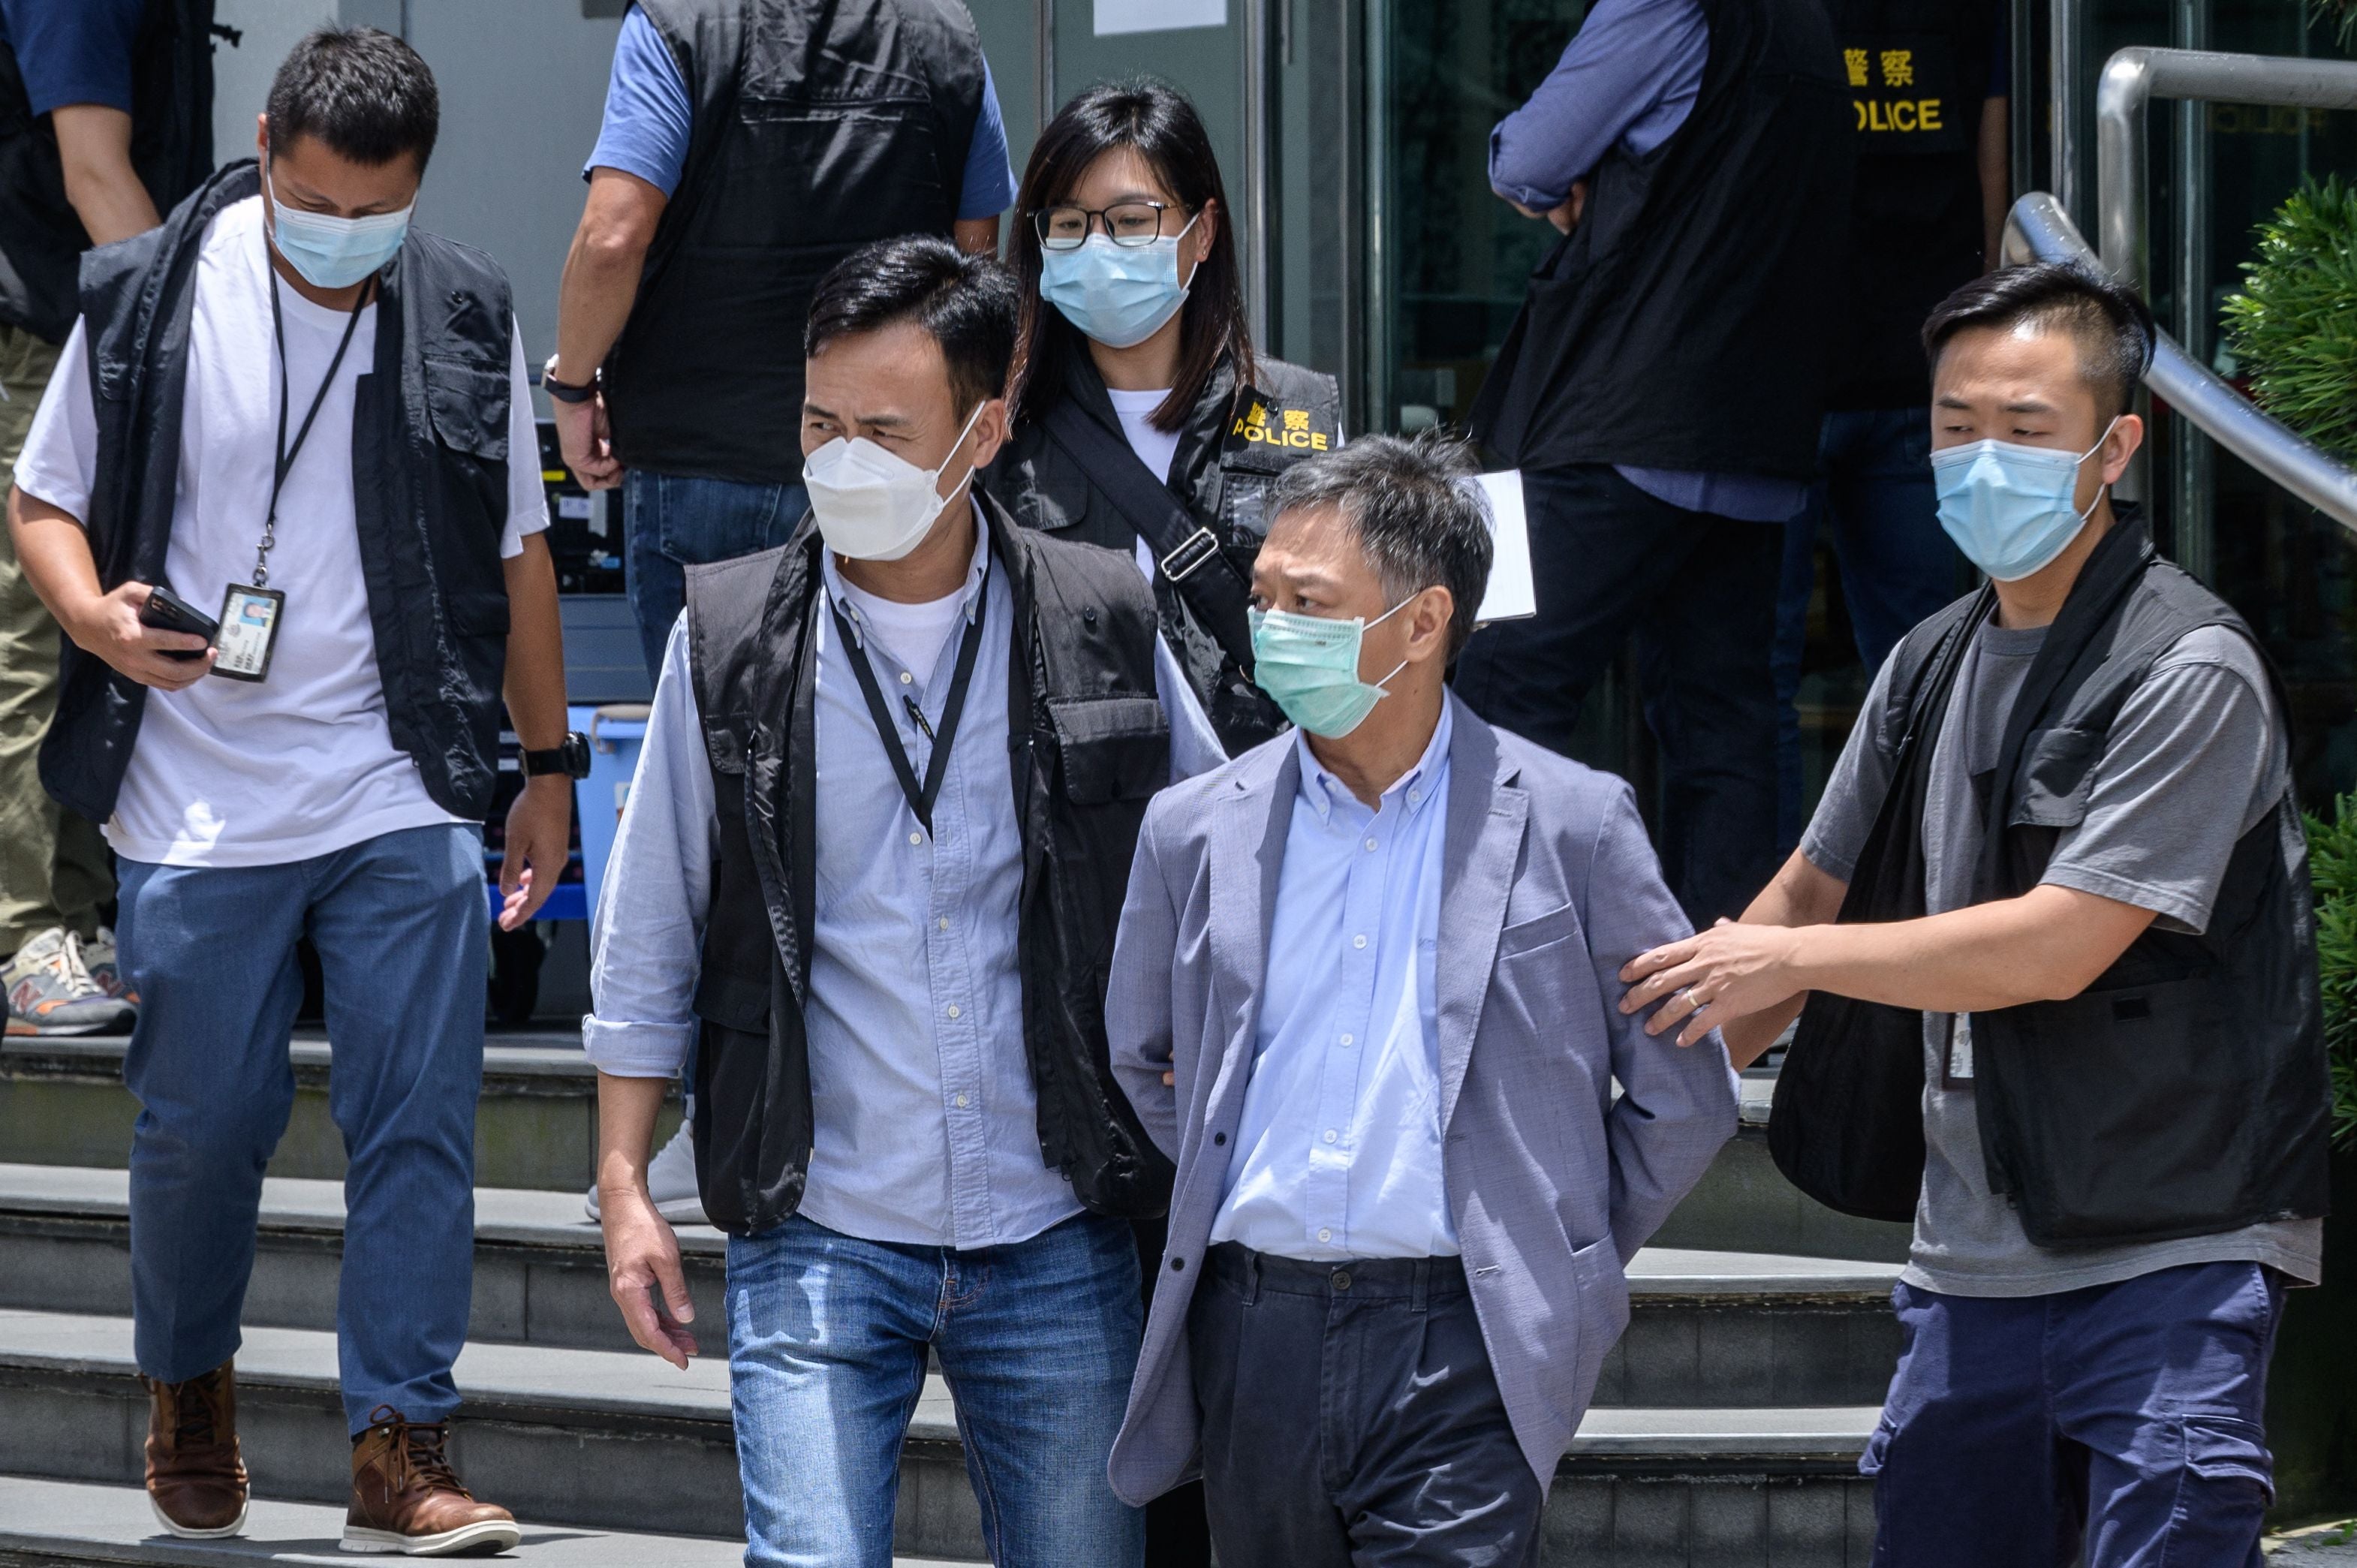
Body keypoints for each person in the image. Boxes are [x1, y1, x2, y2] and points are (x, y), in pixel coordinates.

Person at [1619, 263, 2331, 1565]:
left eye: (2025, 427)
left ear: (2116, 445)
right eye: (1955, 427)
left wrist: (1790, 954)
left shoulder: (2189, 665)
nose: (1981, 460)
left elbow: (2061, 940)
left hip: (2171, 1242)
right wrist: (1633, 1084)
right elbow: (1803, 892)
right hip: (1968, 1263)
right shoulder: (1926, 658)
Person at [6, 27, 571, 1552]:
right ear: (265, 147)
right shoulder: (145, 292)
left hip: (398, 778)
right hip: (196, 795)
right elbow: (43, 495)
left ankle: (403, 1441)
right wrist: (96, 619)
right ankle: (189, 1382)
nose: (345, 236)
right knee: (202, 1119)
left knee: (418, 1116)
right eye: (317, 201)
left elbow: (521, 555)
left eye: (376, 211)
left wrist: (547, 768)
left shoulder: (460, 305)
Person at [585, 234, 1224, 1567]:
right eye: (822, 421)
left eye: (885, 427)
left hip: (1056, 1224)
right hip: (820, 1217)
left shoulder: (1100, 612)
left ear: (985, 430)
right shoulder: (732, 632)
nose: (843, 458)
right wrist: (626, 1180)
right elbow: (650, 924)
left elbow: (1226, 879)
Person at [1105, 435, 1739, 1565]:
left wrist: (1560, 1241)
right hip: (1256, 1328)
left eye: (1309, 600)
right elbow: (1143, 1053)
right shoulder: (1194, 826)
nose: (1273, 628)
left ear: (1423, 620)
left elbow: (1681, 1094)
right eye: (1264, 597)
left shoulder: (1574, 821)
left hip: (1465, 1332)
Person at [553, 0, 1019, 1228]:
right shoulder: (946, 35)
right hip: (899, 462)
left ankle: (723, 1115)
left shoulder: (679, 24)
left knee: (704, 801)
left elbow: (614, 229)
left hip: (706, 455)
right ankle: (898, 1105)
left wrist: (570, 377)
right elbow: (977, 250)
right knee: (895, 778)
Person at [1452, 0, 1853, 925]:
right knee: (1725, 726)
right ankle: (1722, 1011)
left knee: (1495, 683)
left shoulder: (1663, 6)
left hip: (1614, 418)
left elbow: (1527, 160)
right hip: (1750, 435)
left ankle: (1490, 965)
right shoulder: (1805, 25)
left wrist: (1575, 169)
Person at [983, 79, 1341, 758]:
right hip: (1073, 819)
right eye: (1067, 223)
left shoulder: (1297, 414)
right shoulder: (1002, 429)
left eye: (1130, 220)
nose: (1097, 247)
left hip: (1252, 801)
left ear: (1201, 231)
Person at [0, 0, 218, 1037]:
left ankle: (78, 922)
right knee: (39, 634)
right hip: (48, 334)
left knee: (100, 632)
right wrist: (203, 333)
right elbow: (91, 167)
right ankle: (23, 934)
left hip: (94, 330)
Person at [1772, 0, 2009, 842]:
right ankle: (1924, 889)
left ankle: (1766, 921)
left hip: (1780, 378)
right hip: (1916, 366)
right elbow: (1992, 165)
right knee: (1924, 661)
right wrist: (1974, 325)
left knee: (1760, 675)